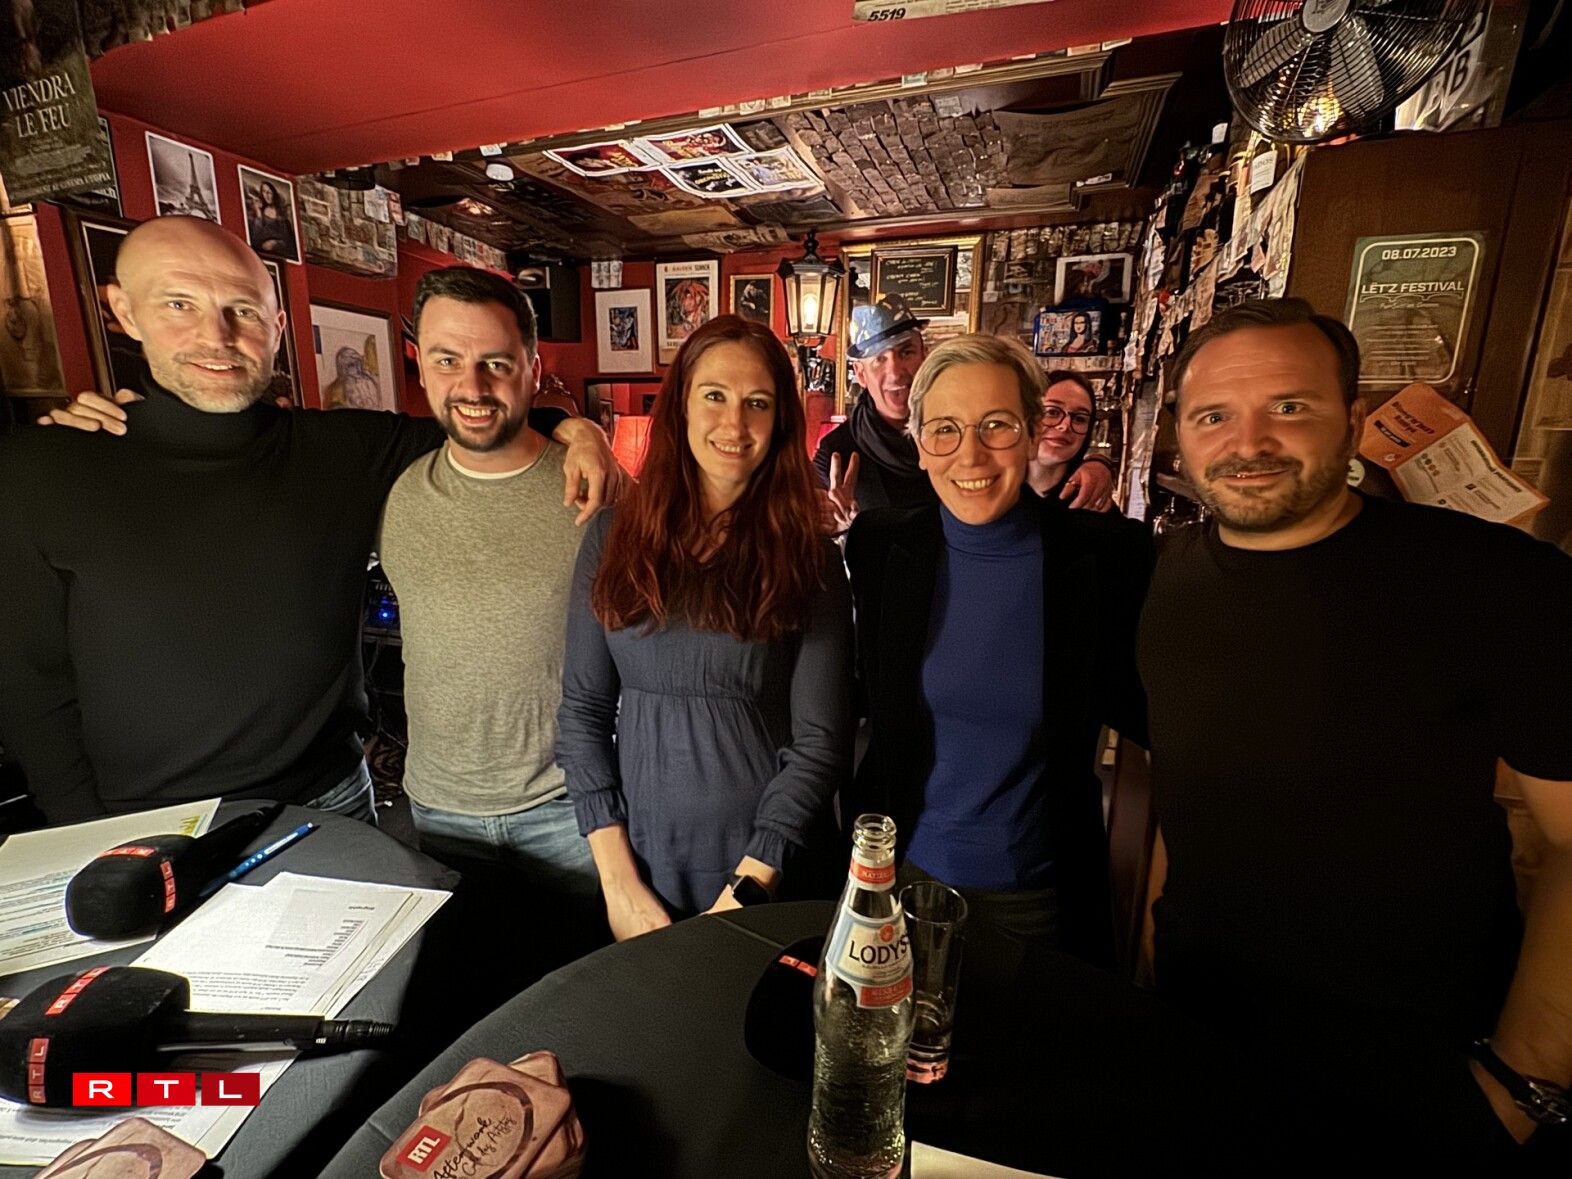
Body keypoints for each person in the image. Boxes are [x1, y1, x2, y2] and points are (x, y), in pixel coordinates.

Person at [1139, 298, 1572, 1169]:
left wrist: (1526, 1075)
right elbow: (1181, 781)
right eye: (1214, 415)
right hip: (1202, 1029)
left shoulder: (1495, 580)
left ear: (1355, 422)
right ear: (1180, 435)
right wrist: (1150, 958)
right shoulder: (1167, 576)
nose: (1249, 441)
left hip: (1416, 1065)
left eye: (1289, 405)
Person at [0, 216, 617, 825]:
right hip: (145, 822)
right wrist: (83, 831)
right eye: (179, 304)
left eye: (242, 310)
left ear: (276, 326)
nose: (217, 336)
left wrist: (581, 429)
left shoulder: (345, 450)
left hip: (333, 801)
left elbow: (484, 419)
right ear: (125, 312)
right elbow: (27, 682)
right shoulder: (42, 467)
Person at [845, 333, 1152, 966]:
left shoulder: (1106, 557)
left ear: (1035, 430)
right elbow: (854, 696)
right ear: (919, 444)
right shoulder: (879, 546)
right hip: (894, 883)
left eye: (997, 425)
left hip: (1034, 896)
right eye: (945, 429)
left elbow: (1155, 709)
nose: (971, 454)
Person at [557, 315, 852, 941]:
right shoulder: (612, 537)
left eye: (758, 403)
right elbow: (582, 714)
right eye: (715, 395)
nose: (734, 424)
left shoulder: (812, 557)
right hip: (642, 869)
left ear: (780, 422)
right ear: (681, 407)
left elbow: (820, 744)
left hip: (771, 874)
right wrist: (619, 882)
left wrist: (746, 890)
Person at [378, 266, 598, 904]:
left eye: (496, 363)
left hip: (571, 809)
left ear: (533, 368)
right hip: (436, 810)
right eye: (447, 359)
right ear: (421, 366)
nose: (472, 386)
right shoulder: (389, 487)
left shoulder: (595, 489)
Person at [814, 295, 1117, 531]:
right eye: (879, 359)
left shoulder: (966, 419)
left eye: (906, 352)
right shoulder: (837, 452)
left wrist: (1096, 464)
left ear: (924, 355)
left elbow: (1040, 456)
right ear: (860, 373)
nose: (895, 371)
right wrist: (833, 528)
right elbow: (813, 522)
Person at [1026, 370, 1097, 500]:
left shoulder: (1091, 504)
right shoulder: (993, 492)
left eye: (1080, 418)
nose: (1065, 426)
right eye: (1052, 412)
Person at [245, 180, 295, 257]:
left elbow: (288, 241)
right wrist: (258, 213)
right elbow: (255, 238)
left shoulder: (281, 216)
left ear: (274, 194)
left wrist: (276, 243)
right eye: (264, 191)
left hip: (279, 253)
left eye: (269, 192)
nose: (266, 195)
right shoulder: (259, 213)